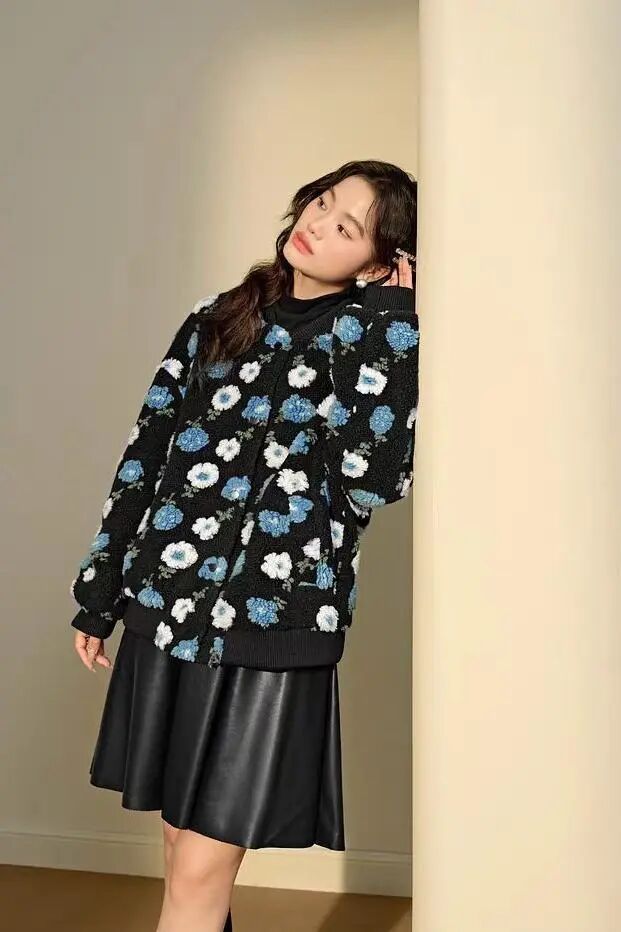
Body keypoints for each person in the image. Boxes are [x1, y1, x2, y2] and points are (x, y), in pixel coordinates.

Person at [69, 159, 419, 932]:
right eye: (322, 202)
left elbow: (377, 480)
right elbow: (148, 449)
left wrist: (393, 324)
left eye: (347, 226)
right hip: (168, 604)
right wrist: (101, 587)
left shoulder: (375, 340)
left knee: (200, 868)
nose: (319, 223)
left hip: (274, 625)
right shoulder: (218, 317)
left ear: (376, 261)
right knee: (179, 848)